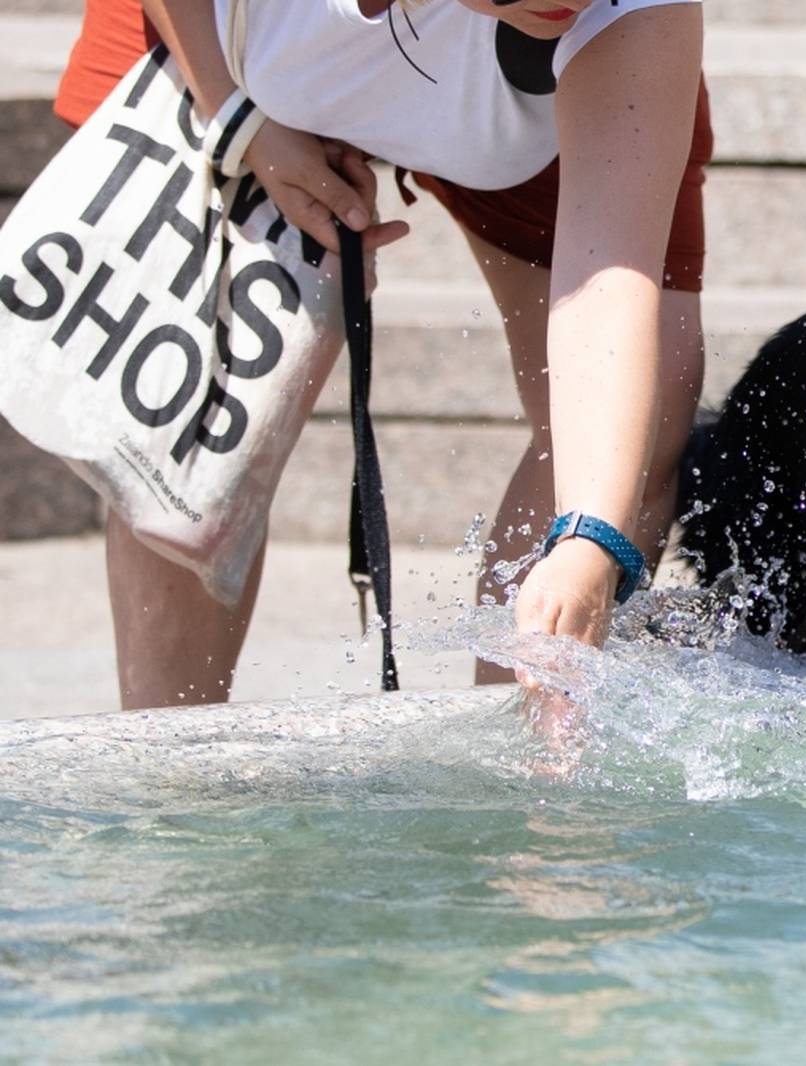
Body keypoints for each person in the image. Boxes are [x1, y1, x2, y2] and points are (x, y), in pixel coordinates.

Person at [54, 0, 711, 707]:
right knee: (183, 416)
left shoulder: (628, 16)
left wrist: (590, 538)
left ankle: (527, 780)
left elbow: (609, 288)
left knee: (646, 413)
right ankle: (164, 778)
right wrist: (241, 122)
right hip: (225, 44)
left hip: (523, 102)